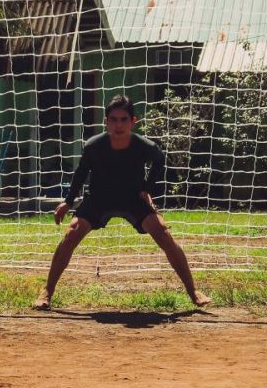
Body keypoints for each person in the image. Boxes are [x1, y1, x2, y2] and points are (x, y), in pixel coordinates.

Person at [35, 95, 210, 311]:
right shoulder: (94, 146)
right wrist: (68, 202)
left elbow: (159, 161)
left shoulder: (145, 146)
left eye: (124, 119)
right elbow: (81, 173)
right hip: (99, 198)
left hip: (132, 198)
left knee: (163, 232)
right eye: (114, 119)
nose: (118, 125)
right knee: (72, 232)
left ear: (133, 121)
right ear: (106, 122)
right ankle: (47, 291)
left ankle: (193, 291)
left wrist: (146, 189)